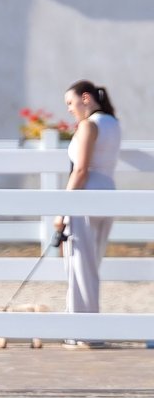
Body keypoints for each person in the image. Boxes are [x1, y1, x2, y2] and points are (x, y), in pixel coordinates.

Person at [54, 80, 121, 349]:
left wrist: (62, 210)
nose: (69, 110)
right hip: (108, 192)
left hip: (86, 194)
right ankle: (87, 328)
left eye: (70, 103)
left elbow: (80, 170)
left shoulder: (89, 125)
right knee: (92, 264)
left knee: (79, 265)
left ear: (85, 98)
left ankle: (82, 330)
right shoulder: (113, 124)